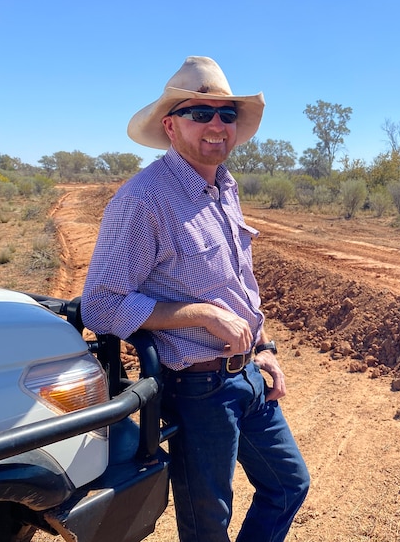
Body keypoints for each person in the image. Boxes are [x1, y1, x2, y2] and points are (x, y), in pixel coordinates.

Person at [81, 56, 310, 542]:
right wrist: (203, 316)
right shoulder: (143, 200)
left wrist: (264, 350)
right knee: (209, 524)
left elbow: (238, 279)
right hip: (198, 389)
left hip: (248, 374)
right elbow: (100, 305)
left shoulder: (224, 186)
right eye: (199, 112)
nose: (216, 124)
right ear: (170, 125)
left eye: (226, 114)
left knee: (289, 484)